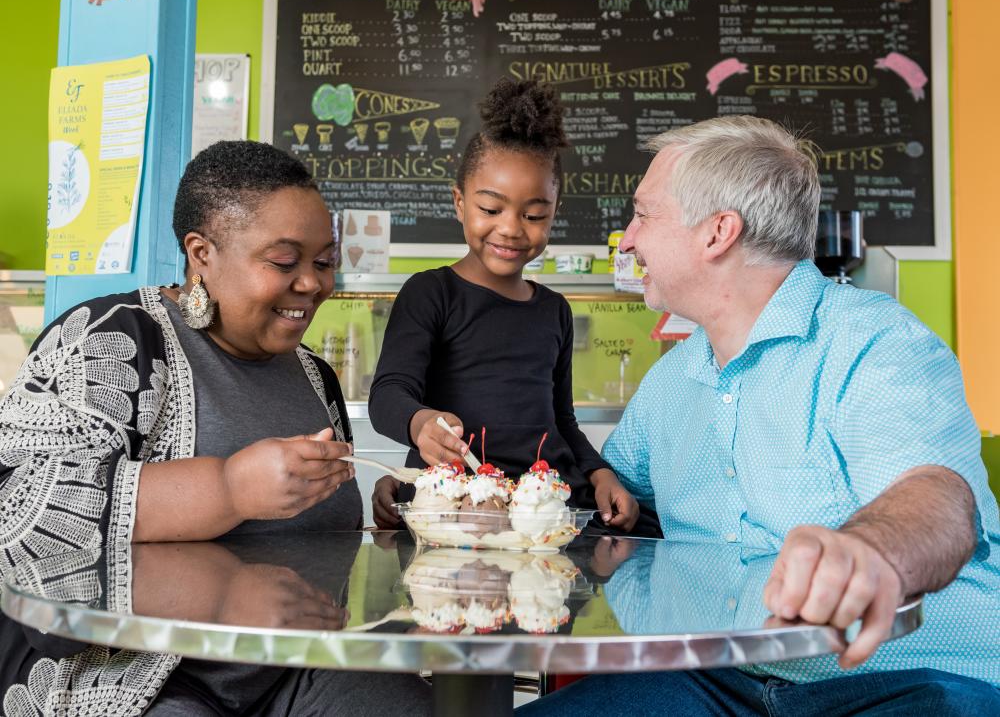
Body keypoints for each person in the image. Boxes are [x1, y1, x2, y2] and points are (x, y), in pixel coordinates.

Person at [518, 116, 1000, 715]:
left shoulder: (876, 342)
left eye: (644, 214)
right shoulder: (671, 380)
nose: (630, 238)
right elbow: (603, 506)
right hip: (718, 679)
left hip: (904, 679)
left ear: (718, 232)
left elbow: (936, 497)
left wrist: (871, 550)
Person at [0, 141, 432, 716]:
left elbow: (321, 547)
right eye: (284, 262)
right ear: (201, 253)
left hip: (296, 672)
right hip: (141, 676)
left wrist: (388, 512)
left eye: (324, 262)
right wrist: (230, 489)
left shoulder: (315, 377)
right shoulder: (112, 339)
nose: (312, 284)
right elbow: (23, 517)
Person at [368, 78, 643, 533]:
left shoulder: (554, 309)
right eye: (491, 209)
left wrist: (600, 474)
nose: (512, 229)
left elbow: (562, 420)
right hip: (457, 508)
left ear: (553, 213)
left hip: (547, 512)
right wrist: (420, 424)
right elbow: (387, 395)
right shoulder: (431, 293)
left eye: (534, 215)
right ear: (460, 203)